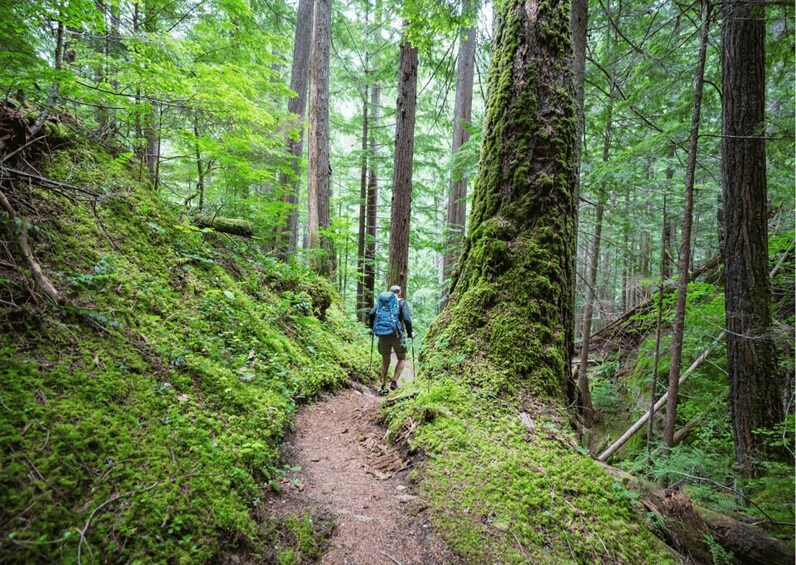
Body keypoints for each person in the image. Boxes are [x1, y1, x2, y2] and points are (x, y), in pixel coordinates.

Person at [368, 284, 414, 395]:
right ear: (400, 292)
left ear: (389, 292)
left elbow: (371, 314)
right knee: (402, 358)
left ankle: (383, 385)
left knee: (385, 360)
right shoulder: (402, 302)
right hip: (397, 335)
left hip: (383, 334)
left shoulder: (382, 302)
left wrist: (373, 328)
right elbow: (407, 319)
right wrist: (410, 332)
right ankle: (394, 381)